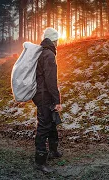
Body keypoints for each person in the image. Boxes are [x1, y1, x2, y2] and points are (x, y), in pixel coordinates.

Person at [32, 27, 63, 173]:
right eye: (57, 40)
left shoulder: (42, 52)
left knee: (51, 121)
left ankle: (54, 151)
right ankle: (40, 161)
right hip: (44, 95)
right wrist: (57, 100)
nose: (58, 42)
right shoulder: (49, 55)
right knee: (44, 126)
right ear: (53, 40)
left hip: (42, 94)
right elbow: (51, 80)